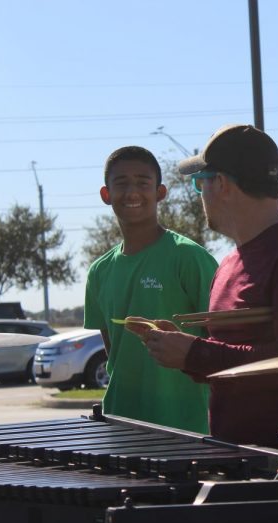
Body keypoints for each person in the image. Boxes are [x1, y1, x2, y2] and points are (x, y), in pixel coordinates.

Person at [130, 125, 278, 451]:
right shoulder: (228, 263)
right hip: (233, 454)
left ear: (221, 183)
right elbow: (229, 366)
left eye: (199, 183)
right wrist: (185, 352)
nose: (200, 194)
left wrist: (195, 353)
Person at [84, 146, 217, 432]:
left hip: (185, 426)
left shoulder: (189, 258)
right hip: (120, 422)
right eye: (121, 184)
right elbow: (114, 353)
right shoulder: (99, 272)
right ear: (106, 195)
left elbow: (221, 346)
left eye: (143, 183)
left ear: (161, 193)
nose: (132, 192)